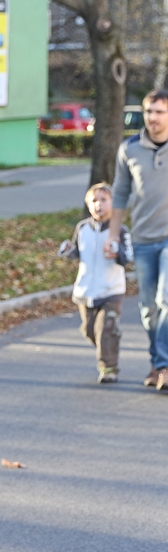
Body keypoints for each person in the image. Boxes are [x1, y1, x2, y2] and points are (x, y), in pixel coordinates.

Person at [109, 88, 168, 391]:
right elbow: (120, 194)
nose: (153, 118)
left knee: (166, 299)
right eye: (149, 111)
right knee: (148, 308)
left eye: (160, 112)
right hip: (143, 238)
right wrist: (113, 235)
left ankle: (164, 365)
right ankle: (158, 362)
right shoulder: (129, 149)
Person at [58, 183, 133, 383]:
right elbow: (78, 252)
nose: (98, 205)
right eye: (94, 201)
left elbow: (127, 257)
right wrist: (68, 251)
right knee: (90, 330)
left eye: (103, 200)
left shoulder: (120, 230)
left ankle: (109, 368)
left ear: (113, 203)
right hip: (85, 290)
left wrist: (116, 251)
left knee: (105, 329)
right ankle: (109, 343)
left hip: (111, 290)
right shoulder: (82, 228)